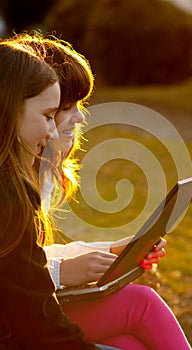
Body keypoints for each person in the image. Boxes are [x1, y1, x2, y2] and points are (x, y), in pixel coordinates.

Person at [13, 32, 192, 350]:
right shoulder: (10, 184)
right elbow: (17, 274)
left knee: (130, 342)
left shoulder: (39, 169)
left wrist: (108, 251)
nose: (80, 116)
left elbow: (27, 258)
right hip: (20, 322)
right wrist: (62, 271)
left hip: (30, 310)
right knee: (142, 303)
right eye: (65, 107)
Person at [0, 38, 120, 350]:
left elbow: (26, 266)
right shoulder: (9, 195)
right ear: (8, 108)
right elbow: (35, 318)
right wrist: (66, 271)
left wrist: (108, 248)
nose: (54, 130)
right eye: (50, 114)